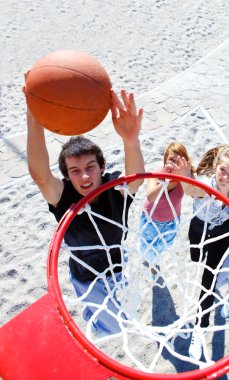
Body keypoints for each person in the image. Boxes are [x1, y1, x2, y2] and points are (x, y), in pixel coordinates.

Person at [26, 88, 145, 336]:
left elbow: (135, 180)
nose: (85, 176)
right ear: (67, 176)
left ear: (102, 167)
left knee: (120, 318)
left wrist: (131, 140)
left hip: (117, 267)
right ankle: (94, 317)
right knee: (110, 329)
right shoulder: (63, 196)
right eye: (75, 171)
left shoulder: (116, 189)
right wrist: (35, 115)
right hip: (85, 277)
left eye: (91, 167)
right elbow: (40, 175)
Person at [174, 142, 229, 361]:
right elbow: (189, 189)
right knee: (196, 259)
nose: (225, 176)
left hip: (222, 232)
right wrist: (183, 176)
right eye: (222, 170)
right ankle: (206, 284)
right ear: (215, 166)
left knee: (209, 277)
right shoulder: (205, 186)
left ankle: (200, 328)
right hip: (199, 229)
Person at [139, 142, 193, 276]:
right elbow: (151, 196)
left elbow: (192, 192)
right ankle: (150, 262)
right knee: (148, 246)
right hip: (150, 219)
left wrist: (185, 176)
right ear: (165, 160)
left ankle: (154, 261)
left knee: (163, 246)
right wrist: (167, 182)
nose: (174, 164)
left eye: (179, 161)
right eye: (171, 160)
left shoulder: (185, 177)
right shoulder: (157, 174)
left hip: (172, 221)